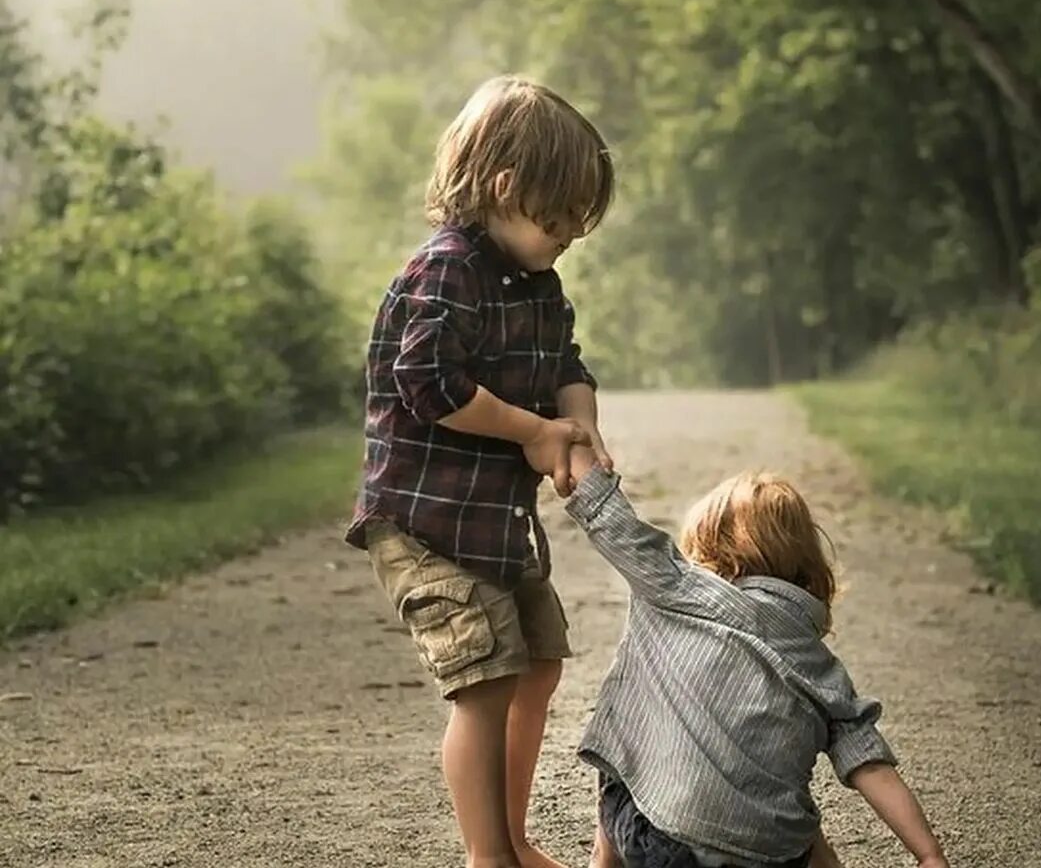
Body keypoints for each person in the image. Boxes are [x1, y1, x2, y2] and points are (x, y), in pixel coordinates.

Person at [345, 75, 615, 868]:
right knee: (487, 682)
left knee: (538, 666)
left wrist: (580, 430)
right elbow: (428, 386)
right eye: (559, 220)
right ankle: (485, 855)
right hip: (427, 525)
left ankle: (512, 835)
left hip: (498, 524)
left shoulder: (539, 282)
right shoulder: (444, 271)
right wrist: (533, 430)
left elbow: (566, 363)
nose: (567, 238)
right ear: (506, 189)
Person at [562, 450, 952, 868]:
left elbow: (619, 528)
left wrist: (580, 459)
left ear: (710, 550)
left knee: (626, 749)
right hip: (772, 857)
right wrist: (929, 854)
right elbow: (870, 765)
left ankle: (602, 861)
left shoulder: (684, 590)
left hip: (667, 848)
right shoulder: (819, 663)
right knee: (785, 811)